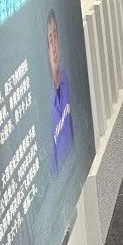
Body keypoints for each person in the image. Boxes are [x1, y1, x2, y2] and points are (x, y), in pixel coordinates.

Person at [48, 10, 74, 175]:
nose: (54, 48)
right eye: (49, 40)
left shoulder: (66, 80)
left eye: (55, 36)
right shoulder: (48, 105)